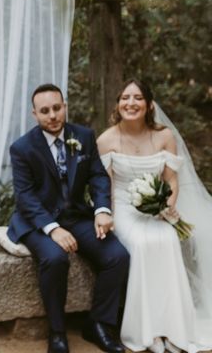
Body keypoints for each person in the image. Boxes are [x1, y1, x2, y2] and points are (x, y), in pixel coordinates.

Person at [7, 84, 129, 353]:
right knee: (55, 258)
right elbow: (25, 197)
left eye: (57, 108)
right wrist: (52, 229)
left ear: (65, 107)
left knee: (117, 256)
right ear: (34, 114)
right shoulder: (22, 148)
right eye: (45, 111)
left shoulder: (83, 136)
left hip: (76, 217)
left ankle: (98, 324)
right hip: (37, 221)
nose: (52, 115)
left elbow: (97, 175)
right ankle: (57, 331)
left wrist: (102, 210)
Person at [97, 79, 212, 353]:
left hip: (157, 208)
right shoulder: (106, 139)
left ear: (149, 105)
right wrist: (108, 216)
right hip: (124, 208)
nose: (131, 103)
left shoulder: (164, 137)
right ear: (118, 104)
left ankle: (172, 328)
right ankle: (147, 331)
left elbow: (171, 180)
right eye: (125, 97)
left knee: (168, 239)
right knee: (142, 243)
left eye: (137, 98)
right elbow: (106, 187)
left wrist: (168, 206)